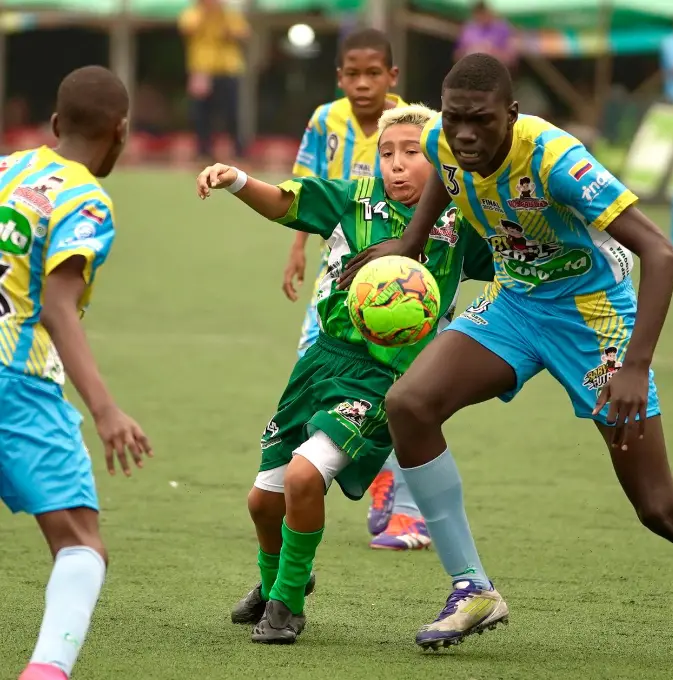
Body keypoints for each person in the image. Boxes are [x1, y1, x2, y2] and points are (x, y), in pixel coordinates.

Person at [338, 53, 673, 670]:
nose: (464, 135)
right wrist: (409, 240)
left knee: (659, 507)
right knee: (409, 403)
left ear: (510, 114)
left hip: (596, 321)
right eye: (455, 119)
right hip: (515, 304)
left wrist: (637, 366)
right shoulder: (444, 140)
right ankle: (472, 587)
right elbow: (442, 165)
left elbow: (661, 252)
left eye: (481, 121)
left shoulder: (553, 159)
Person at [196, 104, 494, 644]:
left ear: (438, 160)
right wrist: (236, 178)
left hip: (386, 379)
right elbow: (288, 203)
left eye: (412, 153)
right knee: (263, 500)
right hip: (321, 363)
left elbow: (512, 256)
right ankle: (280, 581)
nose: (397, 165)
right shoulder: (355, 201)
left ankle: (286, 607)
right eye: (387, 154)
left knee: (305, 477)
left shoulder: (459, 226)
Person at [1, 66, 152, 680]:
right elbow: (59, 306)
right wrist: (105, 409)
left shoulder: (8, 168)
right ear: (120, 132)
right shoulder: (85, 199)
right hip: (19, 384)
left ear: (56, 124)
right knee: (81, 545)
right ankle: (47, 671)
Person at [282, 28, 429, 550]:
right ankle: (314, 476)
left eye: (373, 74)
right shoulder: (326, 120)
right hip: (339, 277)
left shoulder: (413, 125)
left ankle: (406, 506)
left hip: (404, 281)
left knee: (401, 392)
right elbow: (307, 188)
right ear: (339, 76)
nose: (362, 84)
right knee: (317, 371)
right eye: (352, 73)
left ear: (392, 77)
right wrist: (298, 249)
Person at [178, 0, 249, 160]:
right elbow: (187, 29)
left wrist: (222, 15)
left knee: (232, 112)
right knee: (201, 113)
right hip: (202, 70)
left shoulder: (229, 14)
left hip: (229, 68)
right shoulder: (193, 12)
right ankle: (203, 151)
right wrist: (208, 14)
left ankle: (239, 151)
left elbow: (243, 33)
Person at [455, 1, 518, 71]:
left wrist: (493, 53)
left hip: (496, 72)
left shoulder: (502, 28)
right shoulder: (468, 29)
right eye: (478, 14)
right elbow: (457, 55)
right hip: (472, 72)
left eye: (483, 13)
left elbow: (512, 58)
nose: (481, 17)